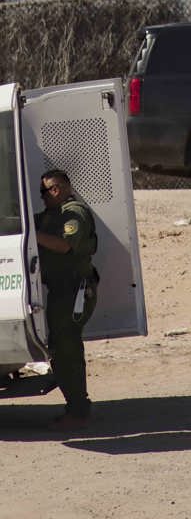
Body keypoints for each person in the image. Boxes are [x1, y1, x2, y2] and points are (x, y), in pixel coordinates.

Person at [35, 170, 99, 430]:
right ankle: (75, 406)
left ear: (57, 189)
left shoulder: (75, 213)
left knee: (67, 348)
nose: (42, 198)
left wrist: (32, 234)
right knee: (60, 347)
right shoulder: (53, 215)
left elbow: (64, 245)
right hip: (62, 291)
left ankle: (78, 410)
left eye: (44, 192)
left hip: (74, 291)